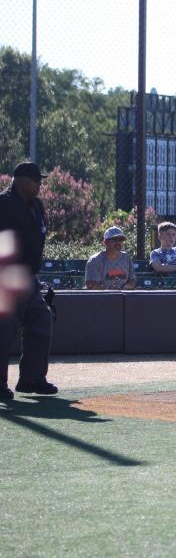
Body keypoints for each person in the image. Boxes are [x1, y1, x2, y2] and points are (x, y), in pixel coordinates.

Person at [0, 162, 58, 399]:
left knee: (41, 319)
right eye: (36, 180)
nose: (39, 184)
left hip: (29, 276)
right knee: (4, 330)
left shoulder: (36, 205)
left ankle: (31, 378)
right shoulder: (4, 203)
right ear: (20, 180)